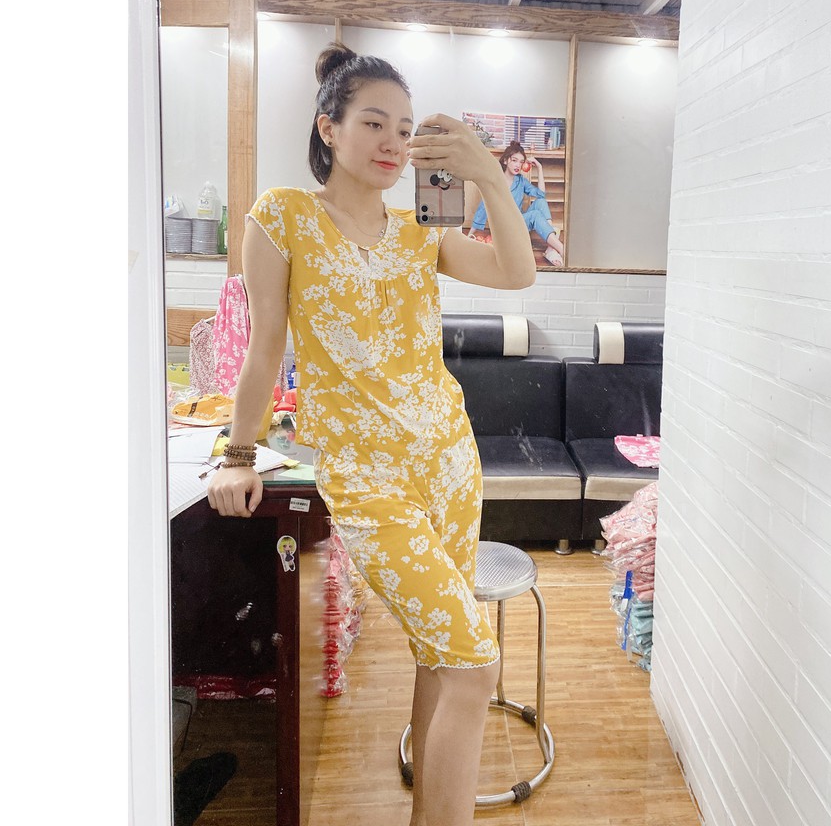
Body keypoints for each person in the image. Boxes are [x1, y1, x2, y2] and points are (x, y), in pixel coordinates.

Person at [206, 43, 536, 826]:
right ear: (329, 127)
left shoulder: (420, 234)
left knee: (440, 651)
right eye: (374, 122)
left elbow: (517, 272)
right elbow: (264, 348)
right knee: (472, 661)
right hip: (364, 477)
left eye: (406, 129)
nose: (394, 141)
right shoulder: (283, 216)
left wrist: (490, 177)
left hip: (449, 463)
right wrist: (238, 454)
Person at [467, 141, 565, 266]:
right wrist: (470, 234)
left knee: (541, 202)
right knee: (535, 215)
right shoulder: (496, 182)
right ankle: (561, 249)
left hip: (518, 222)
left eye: (521, 162)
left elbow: (541, 194)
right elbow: (483, 207)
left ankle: (551, 248)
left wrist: (539, 167)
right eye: (514, 160)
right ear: (505, 161)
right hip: (505, 229)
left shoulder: (521, 181)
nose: (518, 165)